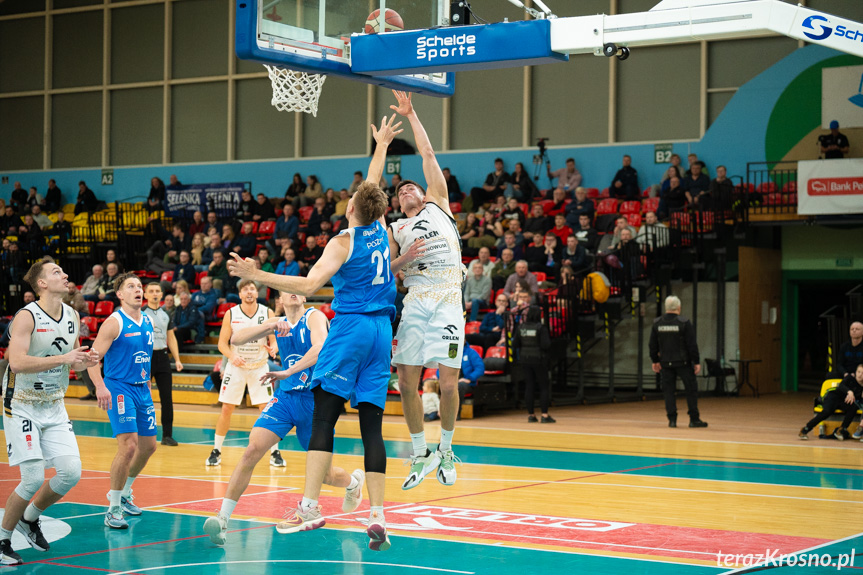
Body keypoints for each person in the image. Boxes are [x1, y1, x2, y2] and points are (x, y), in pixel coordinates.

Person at [226, 113, 400, 551]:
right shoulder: (379, 226)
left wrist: (257, 272)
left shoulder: (345, 241)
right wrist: (380, 146)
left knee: (325, 414)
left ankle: (308, 507)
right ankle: (378, 517)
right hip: (384, 331)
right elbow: (373, 187)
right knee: (372, 426)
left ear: (353, 208)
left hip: (354, 327)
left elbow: (306, 286)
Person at [203, 290, 363, 545]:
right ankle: (222, 519)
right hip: (286, 399)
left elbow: (320, 348)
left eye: (299, 290)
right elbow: (235, 338)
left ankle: (353, 482)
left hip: (315, 401)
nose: (295, 292)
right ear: (279, 298)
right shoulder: (276, 321)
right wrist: (266, 326)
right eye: (288, 290)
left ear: (304, 297)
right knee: (252, 450)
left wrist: (288, 371)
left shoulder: (314, 317)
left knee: (326, 475)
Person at [387, 91, 465, 490]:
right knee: (405, 382)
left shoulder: (439, 206)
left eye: (410, 187)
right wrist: (403, 259)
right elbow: (387, 271)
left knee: (448, 383)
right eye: (398, 191)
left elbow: (428, 153)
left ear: (424, 193)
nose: (405, 191)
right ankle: (420, 452)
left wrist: (412, 113)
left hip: (449, 296)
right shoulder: (395, 229)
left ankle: (447, 448)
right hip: (416, 298)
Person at [0, 259, 98, 566]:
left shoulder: (72, 314)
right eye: (56, 272)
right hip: (22, 403)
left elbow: (74, 358)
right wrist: (65, 358)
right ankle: (3, 540)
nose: (65, 274)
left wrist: (84, 360)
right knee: (32, 478)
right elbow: (16, 362)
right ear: (42, 283)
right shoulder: (26, 317)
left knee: (70, 472)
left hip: (54, 404)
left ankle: (29, 519)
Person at [86, 273, 158, 529]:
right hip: (119, 389)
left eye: (140, 286)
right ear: (120, 294)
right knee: (128, 446)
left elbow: (143, 355)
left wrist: (147, 379)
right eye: (131, 286)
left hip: (142, 389)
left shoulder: (148, 320)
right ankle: (113, 508)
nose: (138, 290)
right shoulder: (113, 323)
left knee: (149, 446)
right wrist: (100, 386)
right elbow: (92, 359)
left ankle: (125, 492)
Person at [207, 280, 280, 467]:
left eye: (252, 289)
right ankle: (216, 450)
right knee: (226, 409)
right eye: (245, 289)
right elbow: (222, 344)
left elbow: (274, 341)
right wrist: (232, 356)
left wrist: (273, 349)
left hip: (259, 367)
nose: (249, 292)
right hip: (237, 367)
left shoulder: (267, 312)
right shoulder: (231, 313)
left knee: (266, 409)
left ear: (257, 293)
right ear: (239, 294)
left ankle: (275, 452)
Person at [649, 295, 707, 428]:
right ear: (679, 308)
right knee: (691, 390)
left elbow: (652, 344)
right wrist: (696, 361)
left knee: (669, 391)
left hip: (665, 363)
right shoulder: (684, 322)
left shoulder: (657, 323)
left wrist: (655, 360)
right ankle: (694, 419)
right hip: (683, 363)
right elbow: (692, 344)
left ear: (666, 308)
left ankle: (672, 420)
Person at [142, 283, 183, 447]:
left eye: (157, 291)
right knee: (143, 397)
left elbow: (171, 337)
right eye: (151, 291)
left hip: (163, 357)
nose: (154, 294)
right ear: (145, 295)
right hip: (145, 358)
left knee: (167, 398)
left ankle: (167, 435)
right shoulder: (140, 313)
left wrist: (177, 359)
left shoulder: (166, 313)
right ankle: (140, 433)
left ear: (161, 294)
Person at [513, 306, 554, 423]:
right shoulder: (541, 328)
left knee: (529, 386)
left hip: (525, 359)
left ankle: (531, 415)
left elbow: (515, 343)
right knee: (543, 386)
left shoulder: (521, 327)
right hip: (539, 359)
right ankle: (545, 415)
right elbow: (546, 344)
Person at [800, 364, 863, 441]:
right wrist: (849, 392)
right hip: (834, 396)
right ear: (855, 372)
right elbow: (841, 385)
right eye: (859, 372)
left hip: (844, 402)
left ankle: (842, 429)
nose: (860, 375)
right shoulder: (850, 378)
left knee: (853, 407)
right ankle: (806, 429)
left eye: (862, 373)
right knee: (827, 411)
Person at [456, 345, 484, 420]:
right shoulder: (452, 351)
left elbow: (480, 368)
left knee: (459, 386)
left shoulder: (471, 352)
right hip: (452, 381)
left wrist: (469, 378)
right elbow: (440, 369)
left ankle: (456, 413)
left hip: (468, 383)